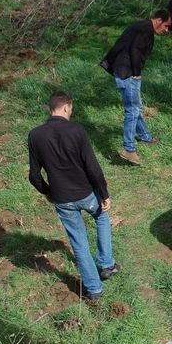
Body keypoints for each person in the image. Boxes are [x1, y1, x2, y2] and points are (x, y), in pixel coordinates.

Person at [28, 91, 120, 302]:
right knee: (102, 217)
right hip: (86, 193)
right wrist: (104, 193)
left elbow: (34, 175)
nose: (71, 112)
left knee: (79, 243)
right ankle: (107, 265)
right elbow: (92, 167)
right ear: (66, 107)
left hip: (62, 199)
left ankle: (94, 290)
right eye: (71, 109)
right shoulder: (77, 130)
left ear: (50, 108)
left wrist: (48, 192)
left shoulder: (35, 135)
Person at [101, 10, 171, 165]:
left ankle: (145, 136)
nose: (167, 30)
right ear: (159, 20)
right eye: (166, 26)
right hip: (128, 72)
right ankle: (128, 149)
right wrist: (137, 73)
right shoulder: (145, 30)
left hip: (123, 69)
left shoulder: (141, 26)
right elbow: (135, 51)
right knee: (132, 110)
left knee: (135, 106)